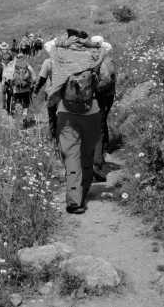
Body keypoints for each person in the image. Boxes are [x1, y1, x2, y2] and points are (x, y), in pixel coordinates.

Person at [43, 28, 104, 214]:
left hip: (66, 113)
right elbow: (105, 79)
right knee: (87, 153)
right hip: (92, 112)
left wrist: (62, 42)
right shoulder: (94, 55)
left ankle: (74, 200)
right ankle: (83, 191)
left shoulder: (59, 54)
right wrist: (90, 44)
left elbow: (49, 44)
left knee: (71, 155)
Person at [91, 35, 117, 181]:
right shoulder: (107, 60)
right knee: (100, 125)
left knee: (99, 126)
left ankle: (98, 160)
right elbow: (109, 80)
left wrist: (93, 91)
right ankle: (101, 155)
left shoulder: (100, 61)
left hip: (101, 98)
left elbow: (106, 80)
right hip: (105, 97)